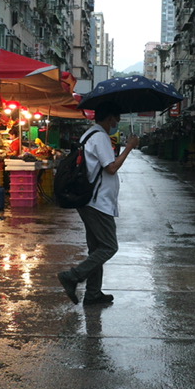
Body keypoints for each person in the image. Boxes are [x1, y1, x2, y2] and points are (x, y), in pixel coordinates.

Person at [57, 101, 139, 305]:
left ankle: (93, 293)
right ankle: (73, 276)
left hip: (90, 200)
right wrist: (129, 148)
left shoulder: (90, 134)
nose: (117, 123)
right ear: (110, 117)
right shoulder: (100, 136)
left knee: (96, 249)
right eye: (116, 119)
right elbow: (110, 168)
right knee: (109, 247)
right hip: (97, 202)